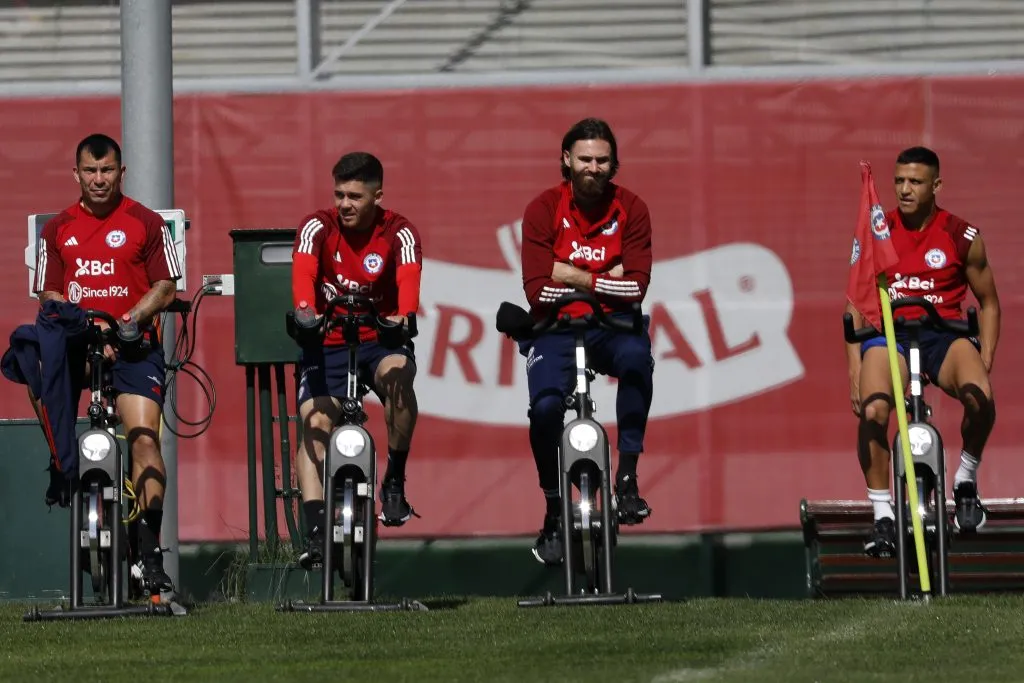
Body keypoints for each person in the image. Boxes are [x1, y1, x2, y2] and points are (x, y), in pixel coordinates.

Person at [31, 133, 182, 592]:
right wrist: (86, 326)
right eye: (90, 171)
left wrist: (126, 321)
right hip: (80, 343)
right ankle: (62, 465)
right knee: (37, 376)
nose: (99, 179)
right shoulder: (56, 229)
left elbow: (166, 287)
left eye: (107, 170)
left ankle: (149, 550)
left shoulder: (147, 222)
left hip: (135, 347)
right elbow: (48, 292)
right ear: (76, 174)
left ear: (122, 172)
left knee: (143, 440)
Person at [846, 146, 1000, 558]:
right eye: (899, 181)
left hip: (944, 336)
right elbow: (855, 303)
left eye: (915, 181)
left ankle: (965, 481)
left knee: (980, 397)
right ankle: (882, 516)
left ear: (936, 186)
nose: (905, 189)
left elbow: (988, 303)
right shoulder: (877, 231)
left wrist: (984, 358)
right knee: (875, 412)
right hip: (890, 336)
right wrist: (854, 368)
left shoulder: (962, 235)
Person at [516, 117, 655, 566]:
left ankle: (628, 478)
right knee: (546, 409)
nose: (593, 168)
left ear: (614, 164)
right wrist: (605, 278)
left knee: (637, 360)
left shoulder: (633, 208)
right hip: (553, 327)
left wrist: (572, 274)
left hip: (613, 326)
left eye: (602, 160)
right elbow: (538, 290)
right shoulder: (542, 209)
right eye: (584, 159)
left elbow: (636, 288)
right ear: (566, 160)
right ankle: (554, 507)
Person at [291, 151, 423, 570]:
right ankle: (314, 531)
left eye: (354, 196)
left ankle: (395, 480)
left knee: (399, 379)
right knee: (315, 423)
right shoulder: (317, 227)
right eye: (339, 195)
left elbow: (408, 286)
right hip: (327, 341)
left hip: (379, 340)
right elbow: (303, 276)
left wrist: (401, 317)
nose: (344, 204)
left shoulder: (399, 232)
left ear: (377, 196)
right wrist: (305, 312)